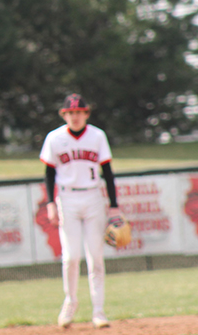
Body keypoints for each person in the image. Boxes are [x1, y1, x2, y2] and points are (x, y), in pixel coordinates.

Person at [40, 93, 121, 329]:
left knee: (95, 256)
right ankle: (70, 303)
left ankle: (99, 311)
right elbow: (48, 173)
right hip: (67, 198)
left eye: (79, 112)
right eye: (70, 112)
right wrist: (50, 203)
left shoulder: (97, 136)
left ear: (87, 113)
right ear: (64, 114)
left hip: (93, 197)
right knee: (71, 257)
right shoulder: (54, 138)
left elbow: (108, 172)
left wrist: (114, 204)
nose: (75, 116)